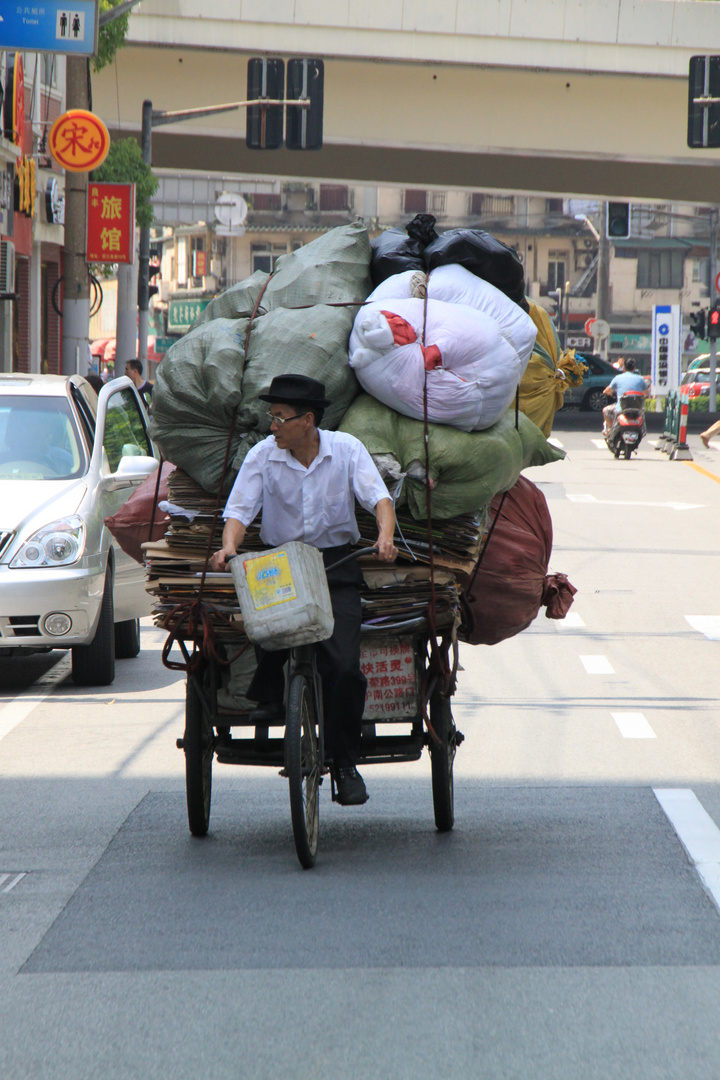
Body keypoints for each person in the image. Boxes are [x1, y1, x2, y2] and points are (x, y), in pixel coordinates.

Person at [210, 374, 398, 806]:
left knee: (345, 666)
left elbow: (379, 500)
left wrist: (384, 536)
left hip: (336, 564)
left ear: (308, 420)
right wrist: (228, 547)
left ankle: (345, 764)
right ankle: (273, 691)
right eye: (271, 416)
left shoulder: (346, 450)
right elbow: (239, 510)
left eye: (279, 418)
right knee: (269, 624)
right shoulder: (263, 455)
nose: (272, 425)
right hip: (283, 561)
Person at [602, 357, 647, 434]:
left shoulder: (618, 378)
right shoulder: (640, 379)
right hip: (637, 409)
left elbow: (606, 391)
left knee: (605, 410)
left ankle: (609, 429)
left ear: (624, 368)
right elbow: (645, 394)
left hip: (621, 409)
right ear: (634, 368)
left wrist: (609, 393)